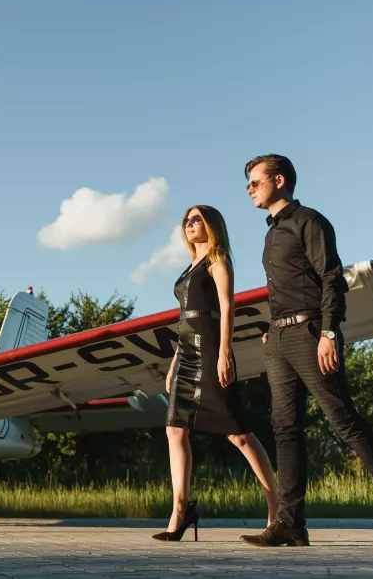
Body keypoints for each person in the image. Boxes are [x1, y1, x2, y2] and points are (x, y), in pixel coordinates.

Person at [240, 154, 373, 548]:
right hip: (278, 339)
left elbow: (331, 278)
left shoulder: (310, 221)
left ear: (279, 179)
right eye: (248, 185)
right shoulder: (271, 233)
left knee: (344, 420)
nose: (249, 190)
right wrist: (272, 329)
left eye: (254, 182)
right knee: (285, 429)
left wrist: (328, 332)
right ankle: (291, 523)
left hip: (311, 334)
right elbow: (284, 288)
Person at [154, 205, 279, 542]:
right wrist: (174, 362)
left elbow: (226, 308)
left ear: (212, 225)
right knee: (175, 430)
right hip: (187, 352)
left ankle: (277, 509)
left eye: (196, 219)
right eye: (186, 220)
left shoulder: (218, 260)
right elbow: (185, 316)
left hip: (210, 350)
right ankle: (179, 510)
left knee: (237, 433)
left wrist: (225, 353)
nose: (189, 224)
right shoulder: (189, 267)